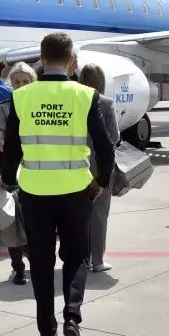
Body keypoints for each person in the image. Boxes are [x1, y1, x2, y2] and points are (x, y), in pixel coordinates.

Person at [1, 33, 115, 336]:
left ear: (41, 58)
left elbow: (12, 149)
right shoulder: (85, 96)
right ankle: (72, 318)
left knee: (40, 261)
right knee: (76, 257)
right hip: (76, 190)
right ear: (71, 60)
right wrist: (100, 182)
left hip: (34, 192)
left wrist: (8, 181)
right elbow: (106, 148)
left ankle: (46, 330)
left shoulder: (22, 97)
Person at [0, 62, 37, 285]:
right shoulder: (4, 108)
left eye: (25, 81)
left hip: (37, 174)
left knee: (36, 223)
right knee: (12, 224)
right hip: (12, 174)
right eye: (16, 82)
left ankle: (36, 262)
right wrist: (16, 157)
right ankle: (18, 268)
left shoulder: (41, 106)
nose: (20, 86)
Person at [76, 63, 121, 273]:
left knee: (78, 214)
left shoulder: (74, 101)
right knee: (99, 215)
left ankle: (81, 257)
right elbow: (114, 137)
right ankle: (98, 260)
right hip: (99, 164)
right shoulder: (105, 102)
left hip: (77, 163)